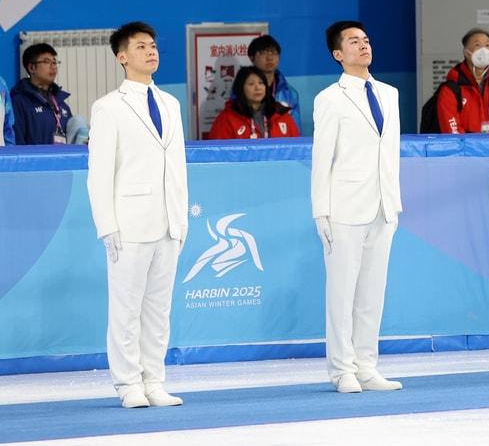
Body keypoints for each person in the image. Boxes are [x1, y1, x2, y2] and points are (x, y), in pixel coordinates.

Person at [86, 22, 188, 409]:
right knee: (126, 307)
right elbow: (99, 174)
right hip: (129, 223)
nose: (151, 52)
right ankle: (128, 383)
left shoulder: (170, 104)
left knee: (158, 308)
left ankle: (155, 378)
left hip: (167, 221)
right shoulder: (109, 107)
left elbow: (177, 165)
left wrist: (181, 219)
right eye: (141, 46)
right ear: (122, 56)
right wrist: (107, 225)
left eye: (154, 46)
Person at [311, 21, 403, 394]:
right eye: (354, 42)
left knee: (371, 292)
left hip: (383, 205)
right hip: (344, 207)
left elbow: (389, 153)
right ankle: (342, 369)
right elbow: (322, 159)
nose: (363, 45)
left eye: (366, 39)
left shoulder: (389, 93)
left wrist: (393, 202)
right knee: (342, 292)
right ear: (338, 54)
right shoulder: (330, 98)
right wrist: (322, 212)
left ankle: (367, 364)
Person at [207, 65, 300, 139]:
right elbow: (217, 155)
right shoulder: (227, 119)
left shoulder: (281, 114)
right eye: (251, 84)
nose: (257, 88)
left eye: (261, 83)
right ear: (240, 88)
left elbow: (297, 149)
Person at [12, 43, 75, 145]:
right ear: (32, 68)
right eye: (47, 62)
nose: (53, 66)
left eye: (55, 62)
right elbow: (17, 143)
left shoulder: (62, 104)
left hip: (63, 160)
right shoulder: (19, 102)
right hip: (35, 160)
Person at [248, 34, 301, 130]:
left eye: (274, 52)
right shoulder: (243, 90)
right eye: (263, 52)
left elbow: (295, 130)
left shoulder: (289, 93)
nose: (269, 57)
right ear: (252, 57)